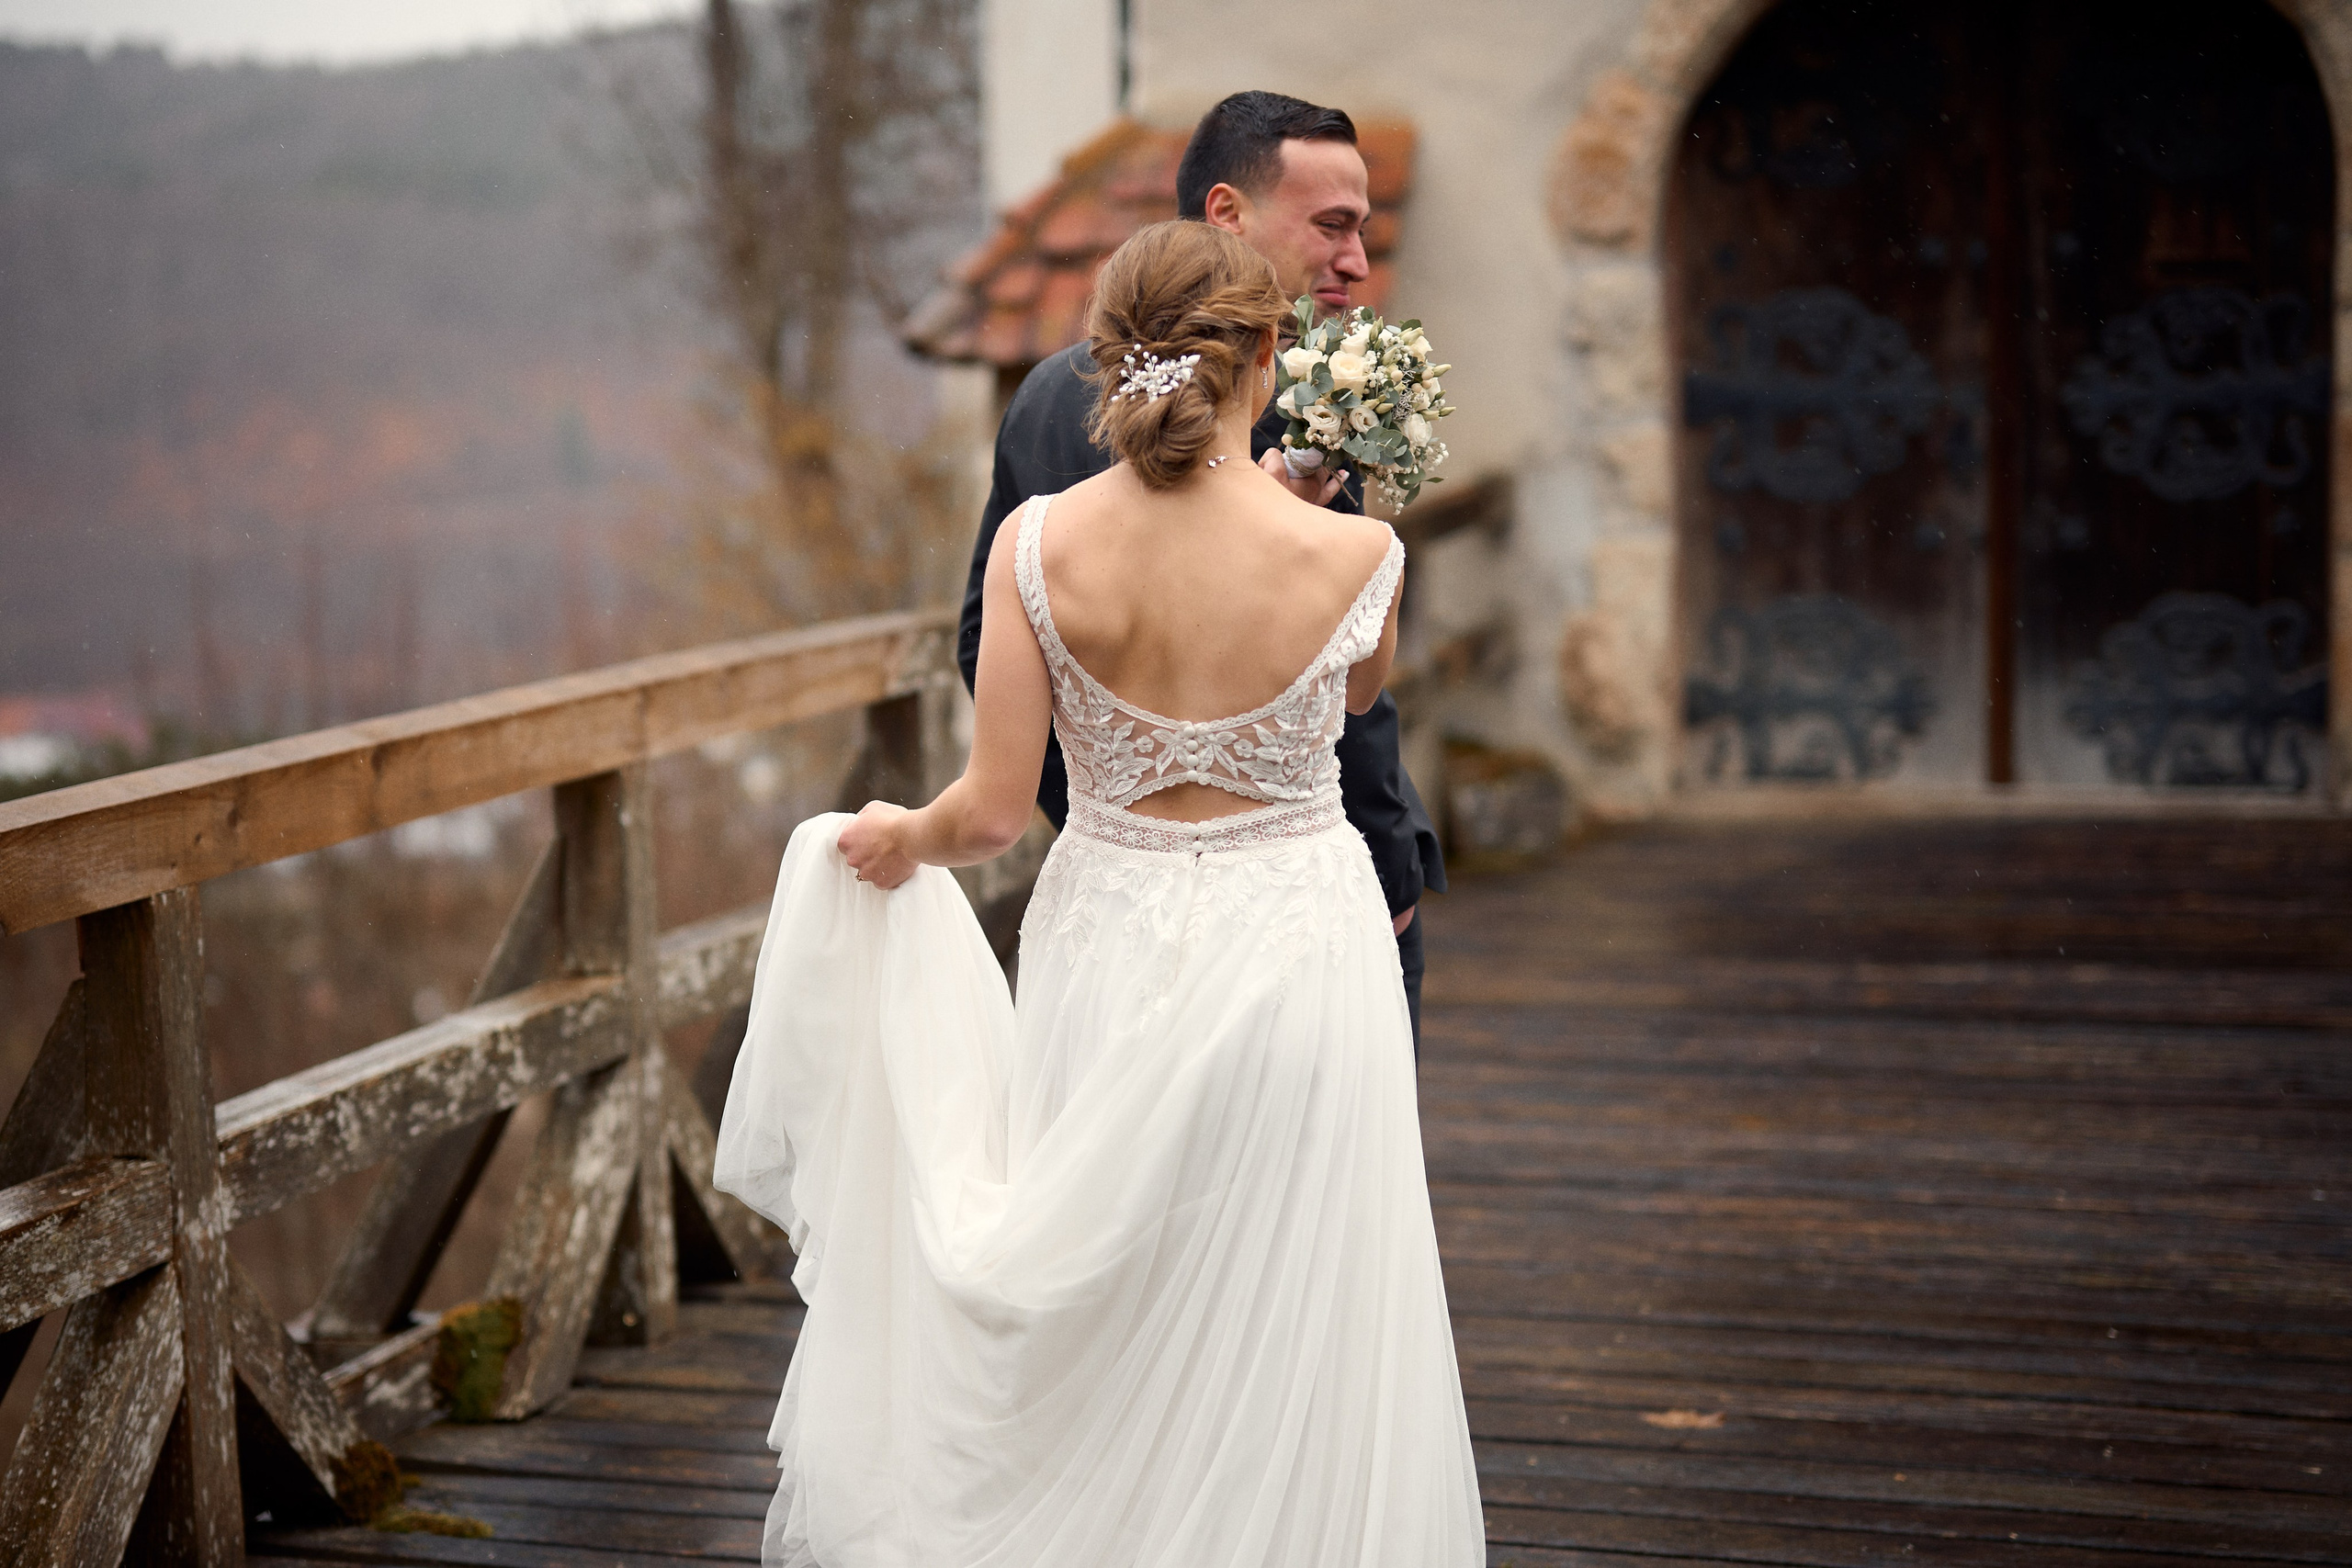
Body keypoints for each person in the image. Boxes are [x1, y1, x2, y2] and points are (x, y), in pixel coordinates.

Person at [717, 219, 1484, 1566]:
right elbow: (1357, 693)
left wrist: (901, 834)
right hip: (1304, 950)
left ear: (1109, 362)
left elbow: (995, 810)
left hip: (1110, 941)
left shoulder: (1035, 546)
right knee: (1294, 1301)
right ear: (1266, 355)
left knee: (1116, 1293)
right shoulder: (1361, 558)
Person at [956, 89, 1445, 1040]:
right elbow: (1348, 690)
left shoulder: (1044, 396)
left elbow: (988, 647)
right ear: (1227, 214)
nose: (1354, 258)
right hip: (1309, 901)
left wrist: (1120, 844)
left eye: (1362, 230)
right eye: (1332, 226)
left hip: (1123, 914)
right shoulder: (1269, 386)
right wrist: (1363, 867)